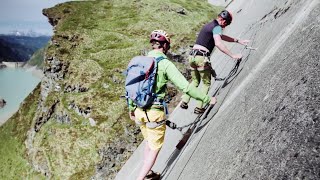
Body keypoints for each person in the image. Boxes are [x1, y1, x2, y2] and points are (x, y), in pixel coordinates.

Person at [128, 30, 217, 180]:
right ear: (165, 46)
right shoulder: (164, 64)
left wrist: (131, 109)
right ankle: (141, 178)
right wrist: (207, 99)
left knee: (149, 142)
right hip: (154, 112)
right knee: (155, 148)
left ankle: (149, 173)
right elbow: (186, 87)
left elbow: (131, 86)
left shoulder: (140, 62)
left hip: (138, 111)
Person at [180, 10, 250, 114]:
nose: (225, 26)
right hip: (201, 57)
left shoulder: (210, 25)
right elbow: (218, 43)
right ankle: (199, 107)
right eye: (227, 23)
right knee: (206, 83)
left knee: (195, 81)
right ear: (223, 20)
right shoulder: (217, 27)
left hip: (192, 56)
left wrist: (238, 40)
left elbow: (222, 36)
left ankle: (184, 101)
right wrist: (233, 55)